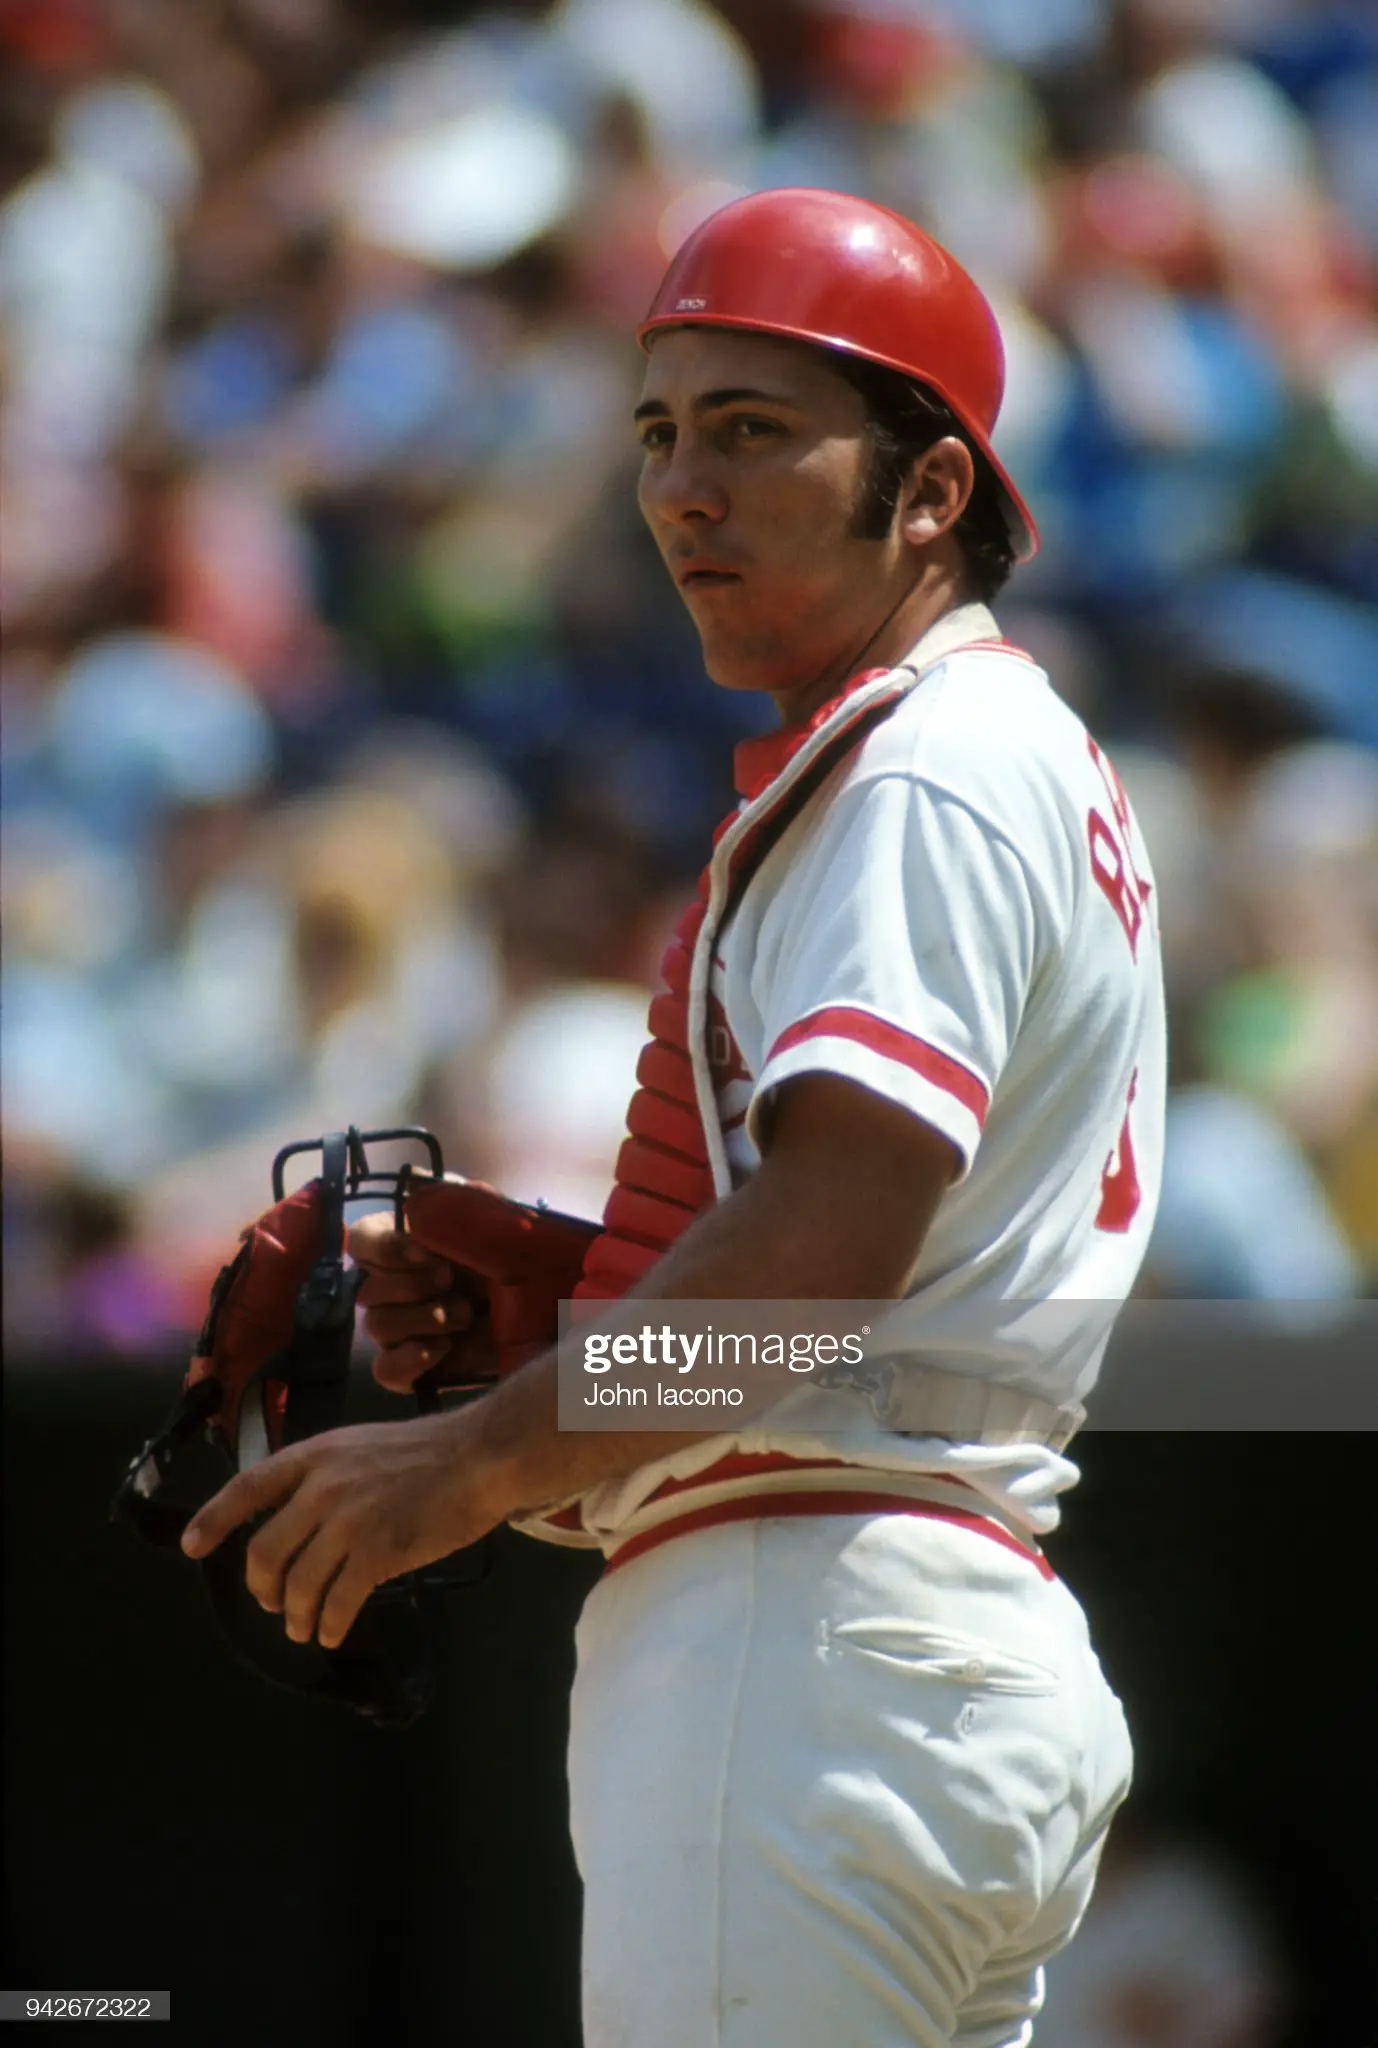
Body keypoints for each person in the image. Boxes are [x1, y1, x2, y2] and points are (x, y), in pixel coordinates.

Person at [183, 189, 1164, 2046]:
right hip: (919, 1636)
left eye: (750, 430)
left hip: (806, 1654)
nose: (679, 491)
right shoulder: (992, 751)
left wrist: (468, 1461)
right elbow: (831, 1267)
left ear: (932, 491)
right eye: (655, 433)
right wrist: (600, 1296)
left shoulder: (923, 767)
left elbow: (810, 1275)